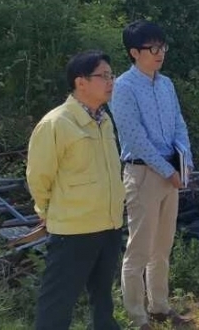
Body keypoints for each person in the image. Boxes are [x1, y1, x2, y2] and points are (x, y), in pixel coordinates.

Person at [26, 50, 126, 330]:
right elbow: (39, 178)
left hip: (109, 223)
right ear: (80, 82)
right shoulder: (56, 123)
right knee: (58, 303)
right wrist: (47, 211)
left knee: (103, 298)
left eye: (111, 75)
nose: (110, 82)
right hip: (73, 229)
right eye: (103, 76)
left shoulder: (104, 120)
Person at [110, 20, 193, 329]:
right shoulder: (123, 87)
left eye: (162, 47)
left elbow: (179, 125)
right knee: (139, 248)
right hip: (143, 174)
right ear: (134, 52)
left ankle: (159, 306)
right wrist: (168, 170)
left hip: (171, 173)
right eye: (152, 48)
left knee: (163, 246)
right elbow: (135, 138)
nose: (160, 54)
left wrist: (184, 162)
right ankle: (136, 315)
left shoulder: (166, 84)